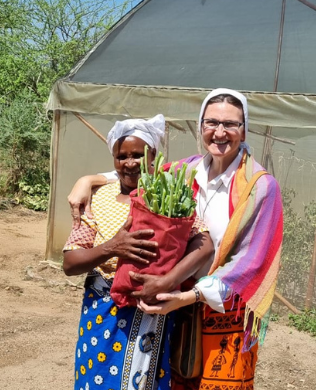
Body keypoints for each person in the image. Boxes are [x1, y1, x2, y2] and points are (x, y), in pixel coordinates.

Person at [68, 89, 284, 390]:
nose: (220, 132)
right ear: (200, 126)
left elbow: (251, 262)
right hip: (172, 305)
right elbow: (138, 172)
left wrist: (185, 294)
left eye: (231, 124)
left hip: (223, 311)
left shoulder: (260, 187)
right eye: (211, 122)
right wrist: (88, 180)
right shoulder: (186, 172)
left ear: (244, 128)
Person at [63, 114, 213, 390]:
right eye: (122, 156)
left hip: (152, 312)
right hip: (101, 313)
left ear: (153, 154)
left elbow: (204, 245)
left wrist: (168, 281)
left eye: (138, 154)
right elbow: (70, 262)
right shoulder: (98, 198)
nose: (130, 163)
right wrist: (112, 248)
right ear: (113, 158)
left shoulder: (169, 195)